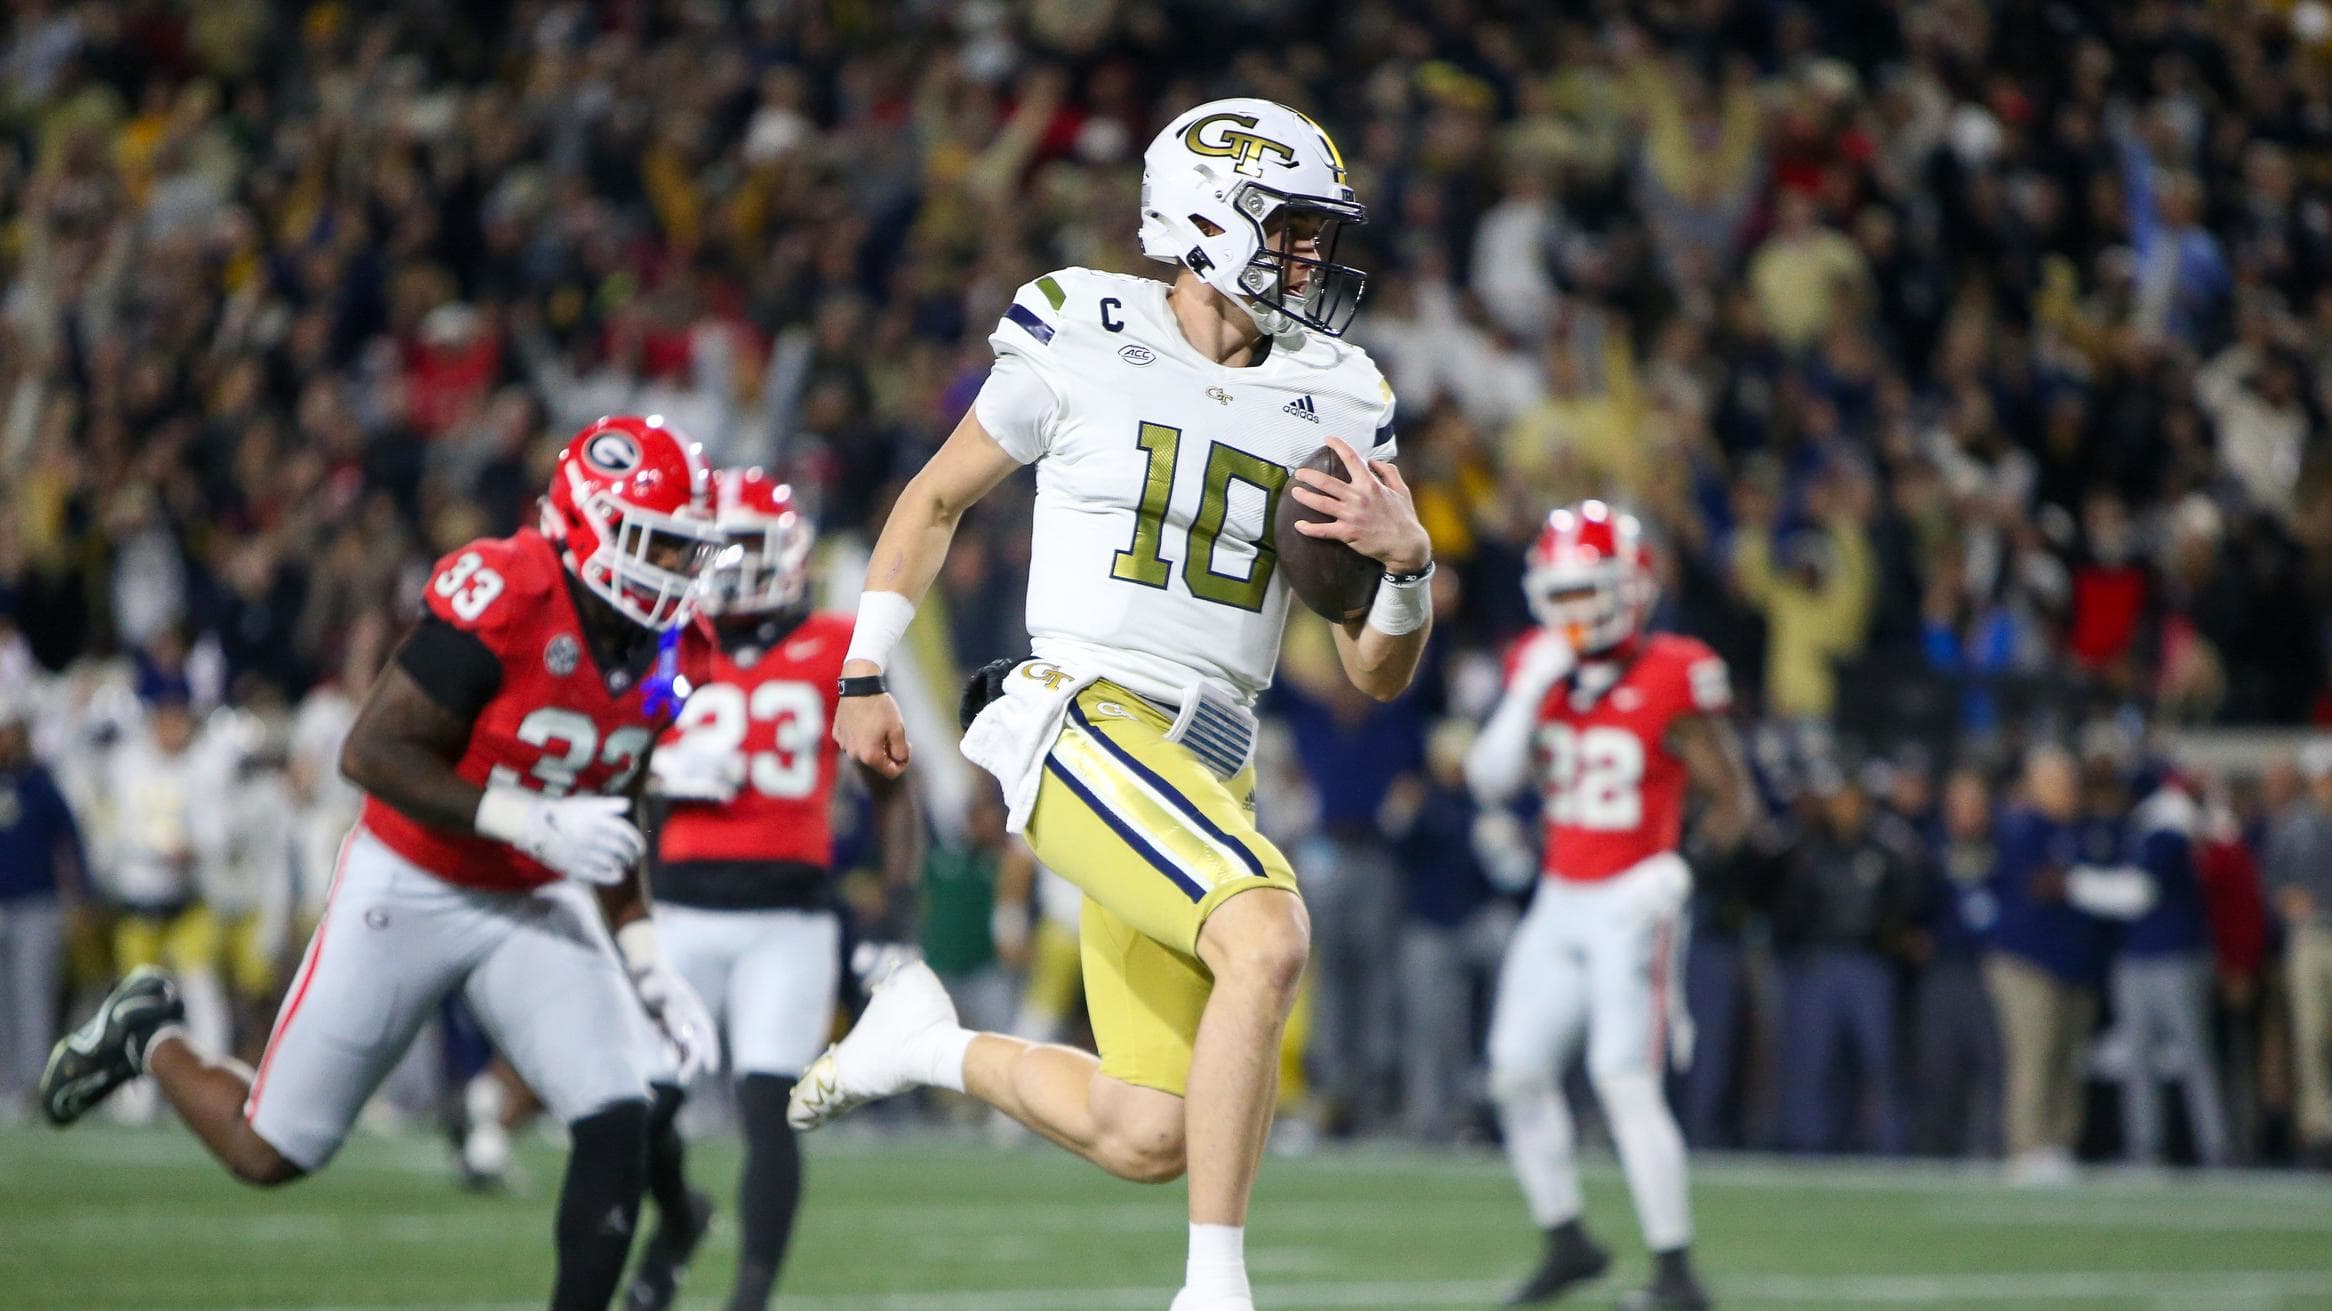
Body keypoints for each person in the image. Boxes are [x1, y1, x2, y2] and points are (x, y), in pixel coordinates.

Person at [790, 99, 1431, 1311]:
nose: (1311, 260)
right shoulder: (1084, 323)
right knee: (1269, 932)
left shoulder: (1342, 390)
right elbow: (933, 502)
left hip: (1210, 765)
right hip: (1082, 718)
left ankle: (921, 1043)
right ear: (1203, 218)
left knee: (1152, 1132)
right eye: (1288, 231)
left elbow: (1374, 671)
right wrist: (864, 668)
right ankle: (1215, 1294)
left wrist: (1407, 570)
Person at [41, 416, 725, 1311]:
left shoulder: (675, 648)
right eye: (658, 546)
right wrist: (525, 815)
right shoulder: (509, 591)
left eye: (684, 550)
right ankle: (146, 1036)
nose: (676, 571)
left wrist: (641, 952)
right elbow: (371, 751)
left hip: (526, 894)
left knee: (616, 1112)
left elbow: (612, 804)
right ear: (589, 524)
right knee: (269, 1151)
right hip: (414, 879)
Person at [623, 468, 921, 1311]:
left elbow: (897, 785)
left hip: (787, 921)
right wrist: (666, 772)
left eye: (744, 547)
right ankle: (678, 1218)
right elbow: (618, 757)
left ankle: (749, 1298)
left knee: (769, 1108)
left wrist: (899, 909)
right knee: (643, 1109)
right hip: (677, 909)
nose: (727, 567)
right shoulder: (672, 641)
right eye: (716, 549)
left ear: (787, 556)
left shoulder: (835, 645)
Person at [1465, 501, 1755, 1310]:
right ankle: (1568, 1239)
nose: (1569, 612)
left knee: (1623, 1076)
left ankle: (1677, 1273)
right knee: (1516, 1072)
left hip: (1635, 899)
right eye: (1557, 593)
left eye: (1586, 591)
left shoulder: (1673, 670)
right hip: (1560, 896)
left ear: (1629, 589)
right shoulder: (1536, 663)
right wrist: (1524, 694)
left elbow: (1735, 801)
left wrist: (1682, 869)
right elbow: (1489, 779)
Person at [1770, 764, 1923, 1155]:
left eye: (1852, 800)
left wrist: (1890, 937)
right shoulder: (1807, 847)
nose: (1846, 808)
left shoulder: (1886, 846)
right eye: (1839, 800)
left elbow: (1910, 897)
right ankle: (1809, 1144)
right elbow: (1787, 904)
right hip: (1818, 960)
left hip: (1869, 961)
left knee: (1881, 1058)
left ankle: (1892, 1144)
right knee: (1814, 1058)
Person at [0, 699, 86, 1117]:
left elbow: (70, 840)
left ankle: (34, 1084)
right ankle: (5, 1084)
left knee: (32, 995)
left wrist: (81, 897)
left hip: (37, 904)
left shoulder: (40, 784)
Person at [2264, 742, 2332, 1168]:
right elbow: (2272, 882)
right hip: (2309, 939)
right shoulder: (2294, 825)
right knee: (2311, 1036)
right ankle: (2318, 1127)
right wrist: (2286, 899)